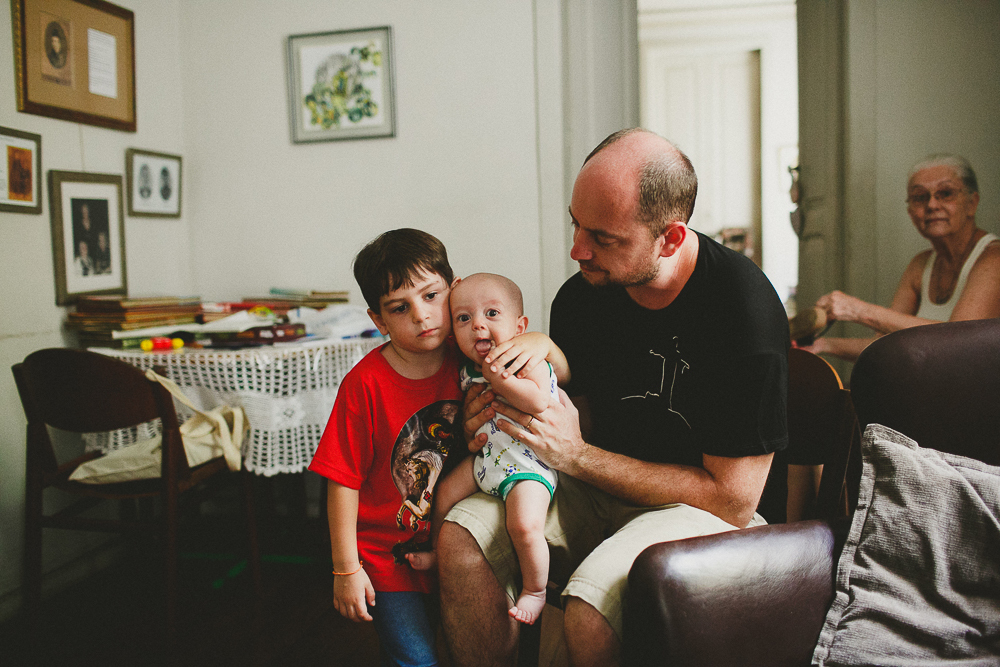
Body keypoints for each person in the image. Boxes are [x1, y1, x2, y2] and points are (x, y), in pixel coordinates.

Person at [437, 128, 790, 667]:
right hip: (592, 484)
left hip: (696, 506)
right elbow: (572, 414)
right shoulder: (583, 296)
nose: (577, 250)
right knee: (463, 540)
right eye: (576, 224)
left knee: (589, 609)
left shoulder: (742, 312)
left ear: (669, 238)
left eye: (603, 237)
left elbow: (733, 499)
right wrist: (492, 417)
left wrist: (576, 455)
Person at [308, 228, 464, 667]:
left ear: (454, 290)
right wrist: (345, 569)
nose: (422, 315)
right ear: (379, 320)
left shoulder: (471, 356)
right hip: (386, 562)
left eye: (432, 296)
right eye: (400, 307)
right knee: (415, 659)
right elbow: (341, 480)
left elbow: (549, 370)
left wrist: (540, 344)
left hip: (458, 547)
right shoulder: (364, 385)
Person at [407, 273, 567, 627]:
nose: (477, 324)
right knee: (444, 494)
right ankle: (436, 551)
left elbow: (541, 401)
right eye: (464, 318)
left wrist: (503, 381)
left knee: (524, 526)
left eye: (491, 314)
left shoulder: (527, 361)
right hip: (486, 461)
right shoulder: (468, 369)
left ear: (520, 326)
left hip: (528, 465)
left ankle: (536, 590)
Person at [800, 154, 1000, 361]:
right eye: (920, 197)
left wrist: (855, 310)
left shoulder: (993, 258)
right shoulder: (921, 264)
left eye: (946, 193)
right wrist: (823, 344)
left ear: (972, 203)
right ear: (911, 211)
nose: (932, 205)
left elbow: (957, 340)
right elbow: (884, 345)